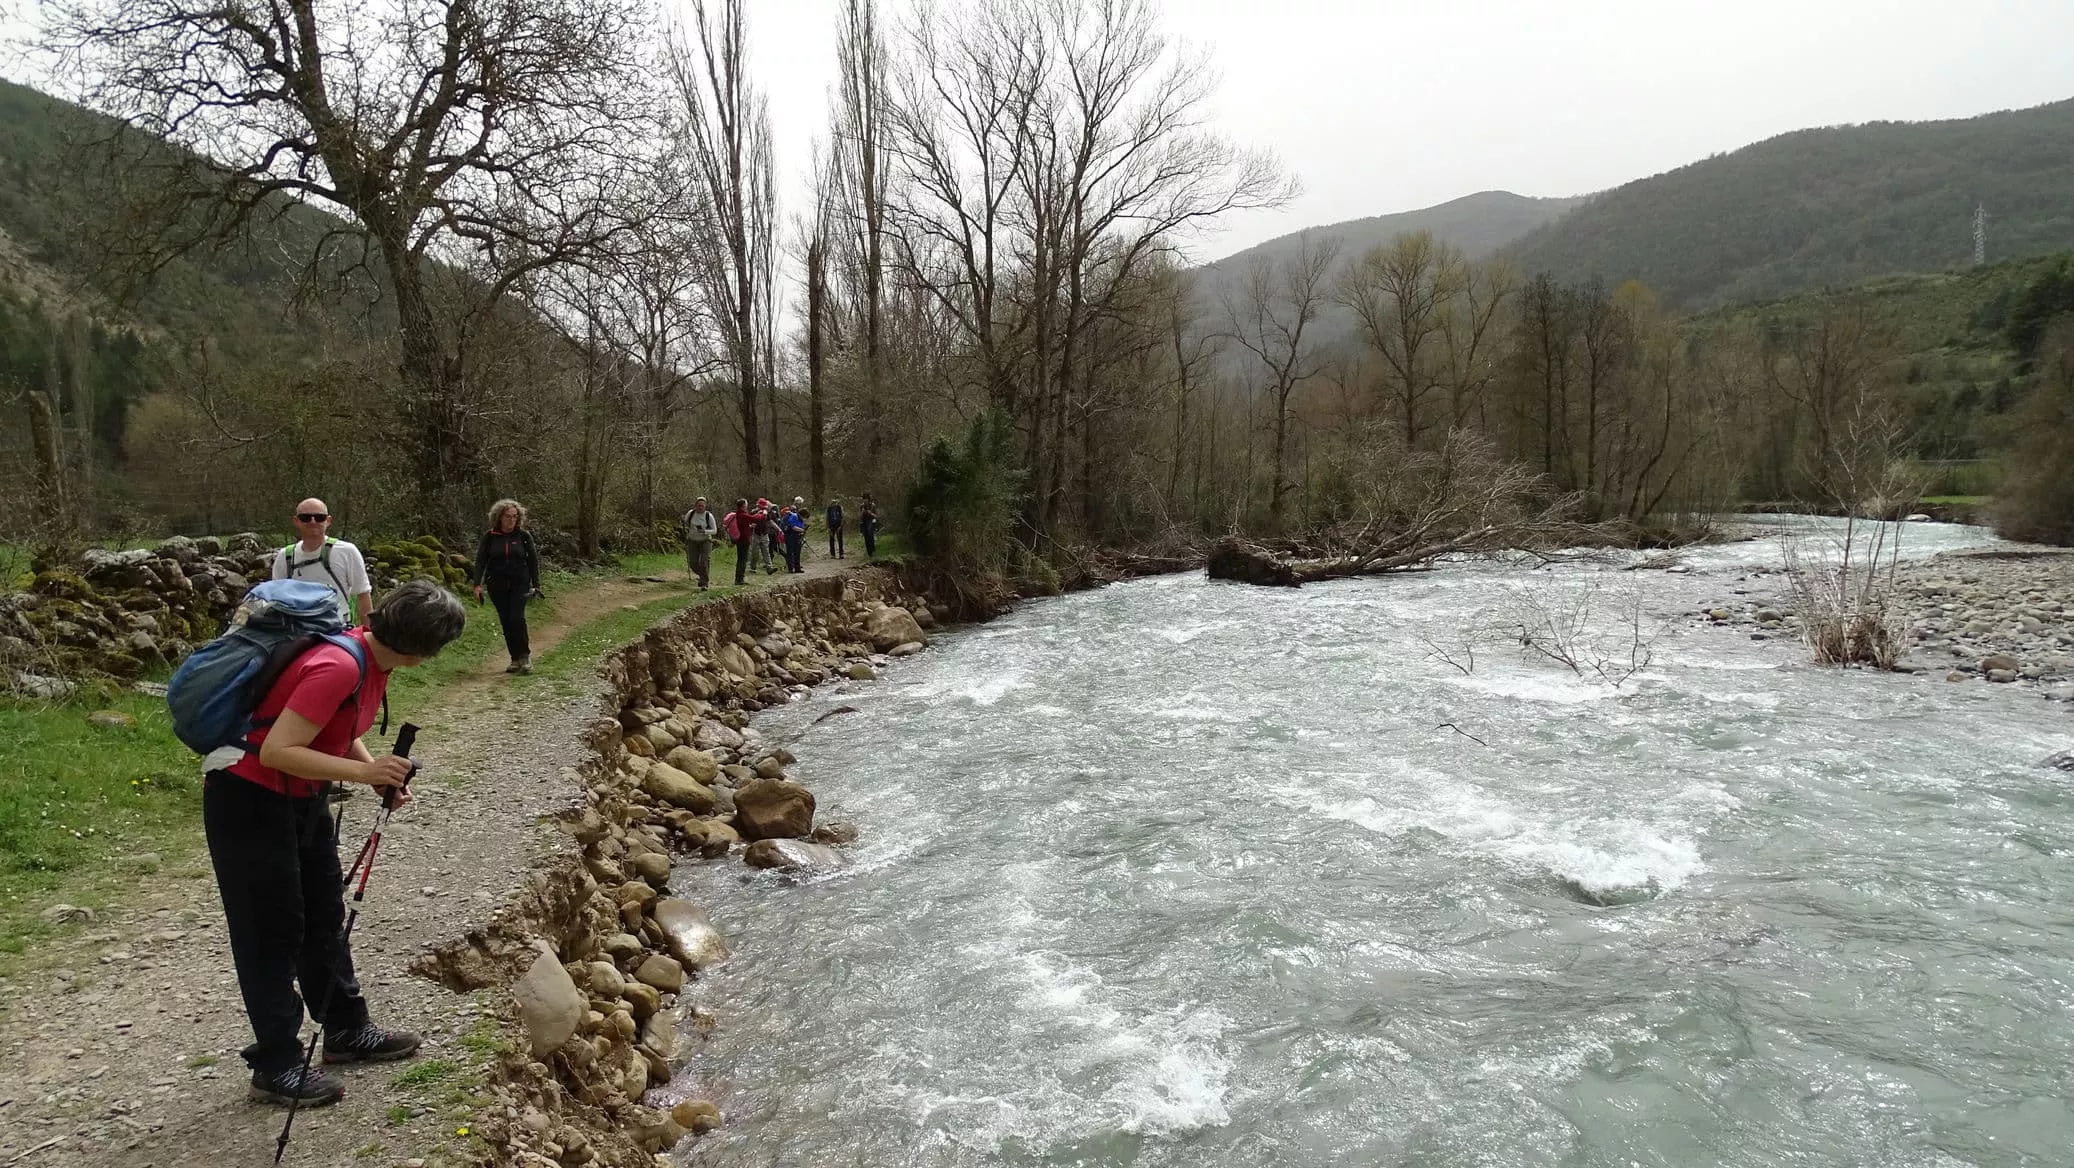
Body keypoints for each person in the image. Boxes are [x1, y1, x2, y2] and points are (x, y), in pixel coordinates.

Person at [200, 579, 466, 1108]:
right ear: (423, 647)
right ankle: (276, 1064)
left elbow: (335, 729)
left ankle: (345, 1030)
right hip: (248, 800)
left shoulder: (370, 661)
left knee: (323, 913)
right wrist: (364, 775)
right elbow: (277, 749)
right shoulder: (340, 664)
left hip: (301, 799)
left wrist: (375, 772)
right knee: (270, 931)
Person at [272, 498, 373, 626]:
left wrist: (367, 635)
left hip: (337, 630)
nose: (313, 521)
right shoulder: (284, 556)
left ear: (328, 521)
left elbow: (363, 595)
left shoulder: (347, 551)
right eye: (305, 517)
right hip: (296, 630)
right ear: (296, 521)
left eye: (319, 517)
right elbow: (276, 599)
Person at [470, 499, 542, 674]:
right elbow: (481, 561)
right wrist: (477, 584)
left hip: (520, 584)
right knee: (506, 622)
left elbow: (532, 561)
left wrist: (536, 584)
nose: (512, 520)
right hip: (497, 585)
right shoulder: (490, 537)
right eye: (508, 517)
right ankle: (514, 658)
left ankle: (524, 656)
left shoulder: (524, 537)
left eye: (515, 517)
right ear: (499, 517)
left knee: (517, 618)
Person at [682, 496, 718, 590]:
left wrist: (705, 531)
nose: (700, 507)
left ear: (705, 506)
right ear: (695, 505)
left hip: (705, 541)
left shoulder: (708, 516)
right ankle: (703, 576)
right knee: (693, 563)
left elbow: (714, 530)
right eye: (698, 505)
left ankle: (704, 583)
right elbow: (685, 523)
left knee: (704, 562)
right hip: (692, 541)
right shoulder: (690, 513)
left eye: (702, 505)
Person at [724, 498, 753, 586]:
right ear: (743, 505)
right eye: (746, 504)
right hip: (743, 539)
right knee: (743, 559)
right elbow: (755, 518)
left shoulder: (736, 515)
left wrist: (750, 527)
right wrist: (763, 513)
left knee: (740, 559)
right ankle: (739, 579)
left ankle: (739, 578)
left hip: (737, 538)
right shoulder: (742, 514)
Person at [782, 503, 808, 573]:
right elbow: (793, 527)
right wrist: (802, 530)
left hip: (797, 537)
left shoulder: (800, 519)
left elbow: (801, 526)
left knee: (797, 553)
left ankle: (797, 568)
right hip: (790, 536)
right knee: (790, 552)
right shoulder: (794, 517)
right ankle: (790, 569)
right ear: (802, 515)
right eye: (805, 517)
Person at [858, 493, 880, 559]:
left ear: (868, 500)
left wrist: (870, 513)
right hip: (864, 522)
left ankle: (872, 550)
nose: (865, 502)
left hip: (871, 521)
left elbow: (876, 516)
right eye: (864, 500)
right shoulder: (861, 506)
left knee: (870, 534)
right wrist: (862, 512)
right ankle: (869, 552)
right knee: (866, 537)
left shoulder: (872, 506)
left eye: (866, 500)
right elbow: (860, 517)